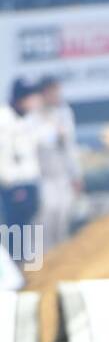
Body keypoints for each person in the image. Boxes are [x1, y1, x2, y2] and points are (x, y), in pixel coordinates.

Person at [33, 76, 83, 249]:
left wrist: (76, 175)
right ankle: (42, 262)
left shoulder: (64, 112)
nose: (56, 96)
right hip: (43, 177)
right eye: (52, 92)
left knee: (63, 219)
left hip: (63, 176)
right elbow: (38, 140)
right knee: (46, 220)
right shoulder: (34, 114)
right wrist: (54, 133)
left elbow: (70, 147)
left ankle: (60, 259)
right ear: (44, 93)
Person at [0, 79, 42, 237]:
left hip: (30, 182)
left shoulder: (30, 118)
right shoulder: (3, 119)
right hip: (13, 188)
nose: (34, 101)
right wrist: (14, 186)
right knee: (14, 234)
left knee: (28, 234)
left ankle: (25, 261)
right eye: (31, 97)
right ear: (20, 99)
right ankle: (16, 262)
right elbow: (4, 158)